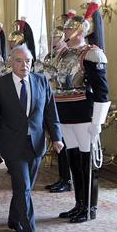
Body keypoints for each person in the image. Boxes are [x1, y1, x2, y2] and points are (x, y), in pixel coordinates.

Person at [0, 44, 64, 232]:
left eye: (28, 61)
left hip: (36, 144)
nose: (24, 65)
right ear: (11, 63)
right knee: (22, 186)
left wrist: (57, 138)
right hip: (12, 145)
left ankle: (14, 219)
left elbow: (50, 112)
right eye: (19, 61)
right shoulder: (1, 85)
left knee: (24, 187)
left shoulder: (41, 82)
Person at [56, 0, 111, 223]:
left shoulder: (91, 54)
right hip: (66, 113)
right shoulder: (62, 54)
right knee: (74, 160)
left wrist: (97, 121)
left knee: (87, 163)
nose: (65, 31)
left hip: (84, 114)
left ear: (79, 30)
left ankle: (90, 207)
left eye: (69, 28)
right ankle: (79, 203)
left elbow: (102, 90)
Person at [42, 17, 71, 194]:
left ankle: (67, 178)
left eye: (55, 35)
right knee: (58, 140)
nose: (52, 38)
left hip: (65, 100)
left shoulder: (67, 54)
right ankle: (62, 176)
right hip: (52, 99)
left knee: (64, 142)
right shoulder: (50, 55)